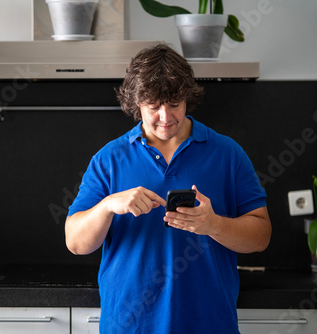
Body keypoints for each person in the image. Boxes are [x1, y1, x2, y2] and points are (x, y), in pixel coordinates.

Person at [65, 43, 271, 333]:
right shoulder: (109, 159)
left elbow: (261, 236)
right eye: (154, 106)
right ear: (137, 103)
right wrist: (108, 205)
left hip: (210, 325)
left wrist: (214, 225)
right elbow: (75, 242)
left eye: (174, 104)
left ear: (187, 98)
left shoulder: (228, 154)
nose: (166, 117)